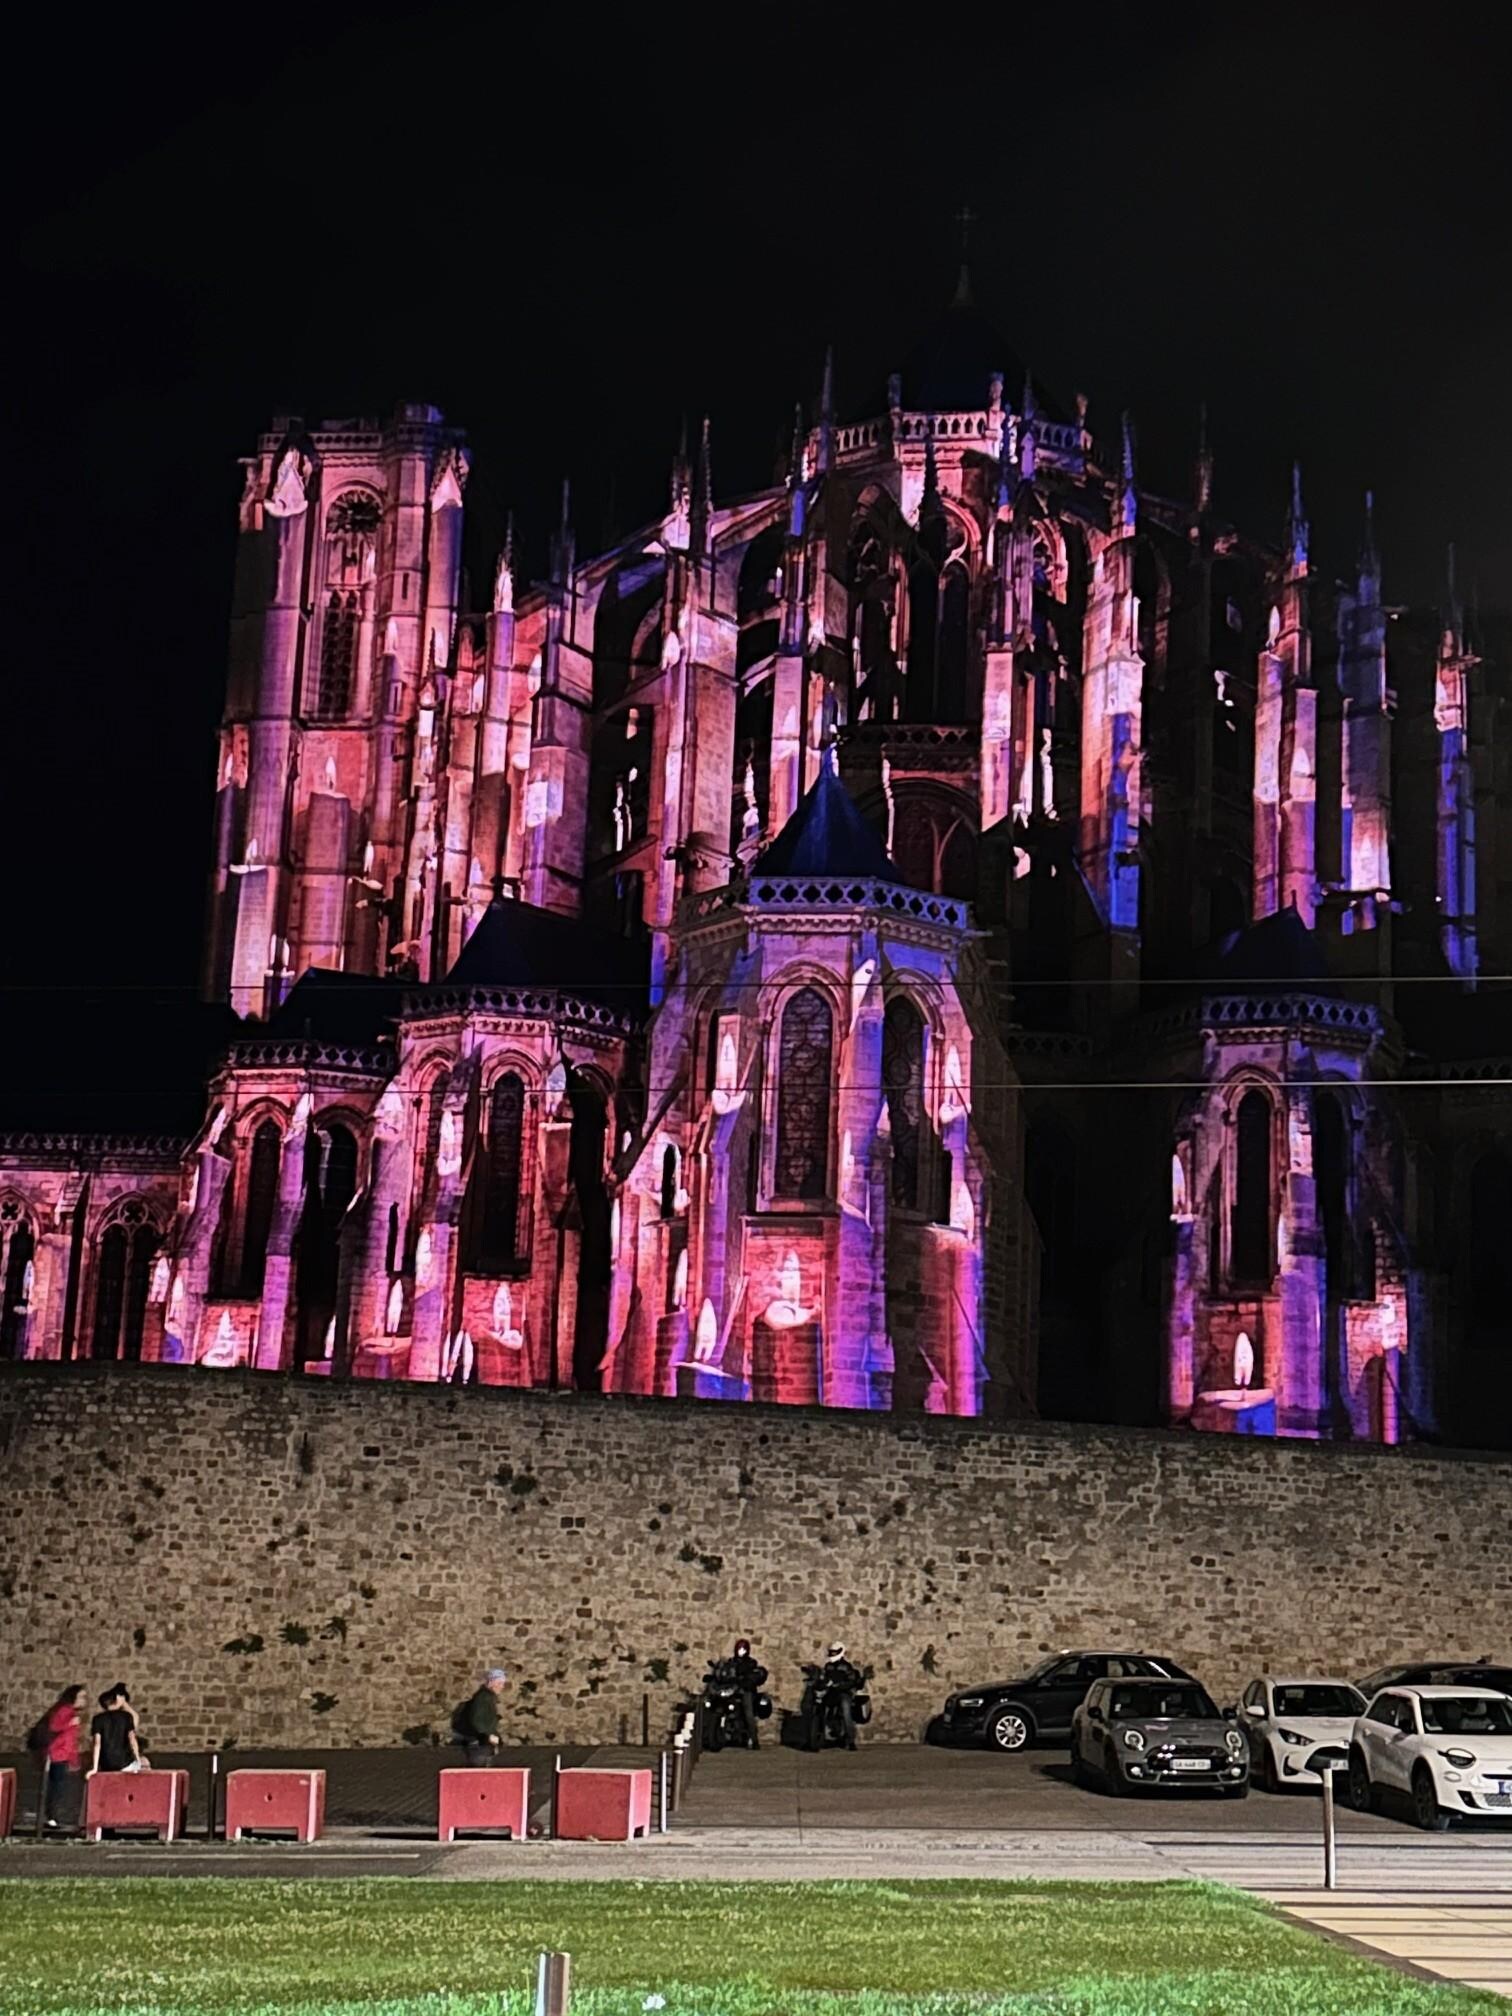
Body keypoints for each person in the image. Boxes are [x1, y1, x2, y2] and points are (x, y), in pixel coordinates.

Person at [40, 1686, 84, 1828]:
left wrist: (73, 1758)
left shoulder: (69, 1712)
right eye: (82, 1697)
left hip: (62, 1754)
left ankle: (53, 1816)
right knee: (56, 1786)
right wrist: (69, 1723)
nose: (84, 1701)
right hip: (57, 1754)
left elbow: (71, 1740)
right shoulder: (65, 1711)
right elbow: (55, 1728)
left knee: (59, 1787)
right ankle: (51, 1816)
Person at [459, 1666, 508, 1766]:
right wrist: (489, 1736)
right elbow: (478, 1721)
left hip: (480, 1743)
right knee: (480, 1773)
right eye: (499, 1683)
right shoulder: (484, 1698)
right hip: (479, 1744)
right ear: (491, 1683)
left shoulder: (486, 1697)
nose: (502, 1686)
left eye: (502, 1683)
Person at [90, 1684, 144, 1774]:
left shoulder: (98, 1719)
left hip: (106, 1764)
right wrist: (138, 1759)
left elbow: (97, 1744)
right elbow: (132, 1740)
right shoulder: (126, 1717)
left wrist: (95, 1767)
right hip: (125, 1763)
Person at [823, 1643, 864, 1750]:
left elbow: (851, 1680)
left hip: (844, 1692)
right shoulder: (828, 1666)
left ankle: (850, 1741)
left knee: (846, 1711)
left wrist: (840, 1685)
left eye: (834, 1652)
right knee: (820, 1707)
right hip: (831, 1692)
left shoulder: (846, 1666)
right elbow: (824, 1678)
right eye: (831, 1652)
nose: (832, 1654)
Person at [730, 1637, 768, 1750]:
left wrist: (747, 1679)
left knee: (748, 1714)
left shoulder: (751, 1663)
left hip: (746, 1691)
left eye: (743, 1649)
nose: (741, 1651)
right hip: (733, 1689)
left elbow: (754, 1675)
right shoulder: (732, 1662)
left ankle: (754, 1740)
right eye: (739, 1648)